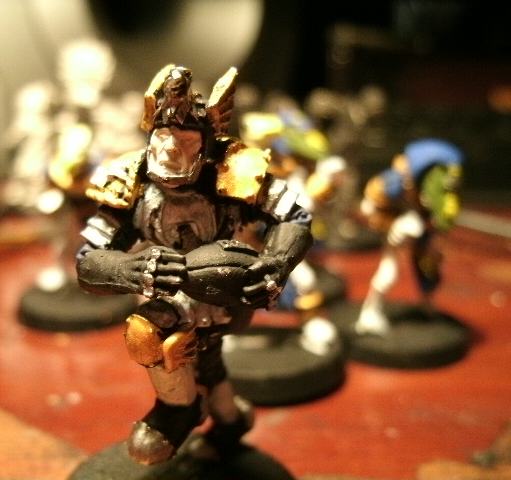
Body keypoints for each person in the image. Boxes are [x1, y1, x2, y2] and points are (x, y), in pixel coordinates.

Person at [76, 65, 313, 465]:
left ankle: (182, 409)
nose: (169, 150)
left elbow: (295, 219)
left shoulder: (234, 171)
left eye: (185, 140)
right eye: (162, 137)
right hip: (164, 289)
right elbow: (88, 261)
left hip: (224, 289)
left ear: (206, 146)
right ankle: (225, 419)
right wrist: (126, 269)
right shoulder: (131, 180)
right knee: (184, 351)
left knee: (158, 336)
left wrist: (275, 263)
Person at [356, 138, 463, 335]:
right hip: (397, 226)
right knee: (389, 272)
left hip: (422, 229)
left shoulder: (440, 191)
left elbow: (439, 212)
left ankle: (426, 302)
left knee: (429, 267)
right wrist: (389, 222)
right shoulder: (396, 181)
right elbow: (369, 205)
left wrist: (436, 225)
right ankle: (369, 313)